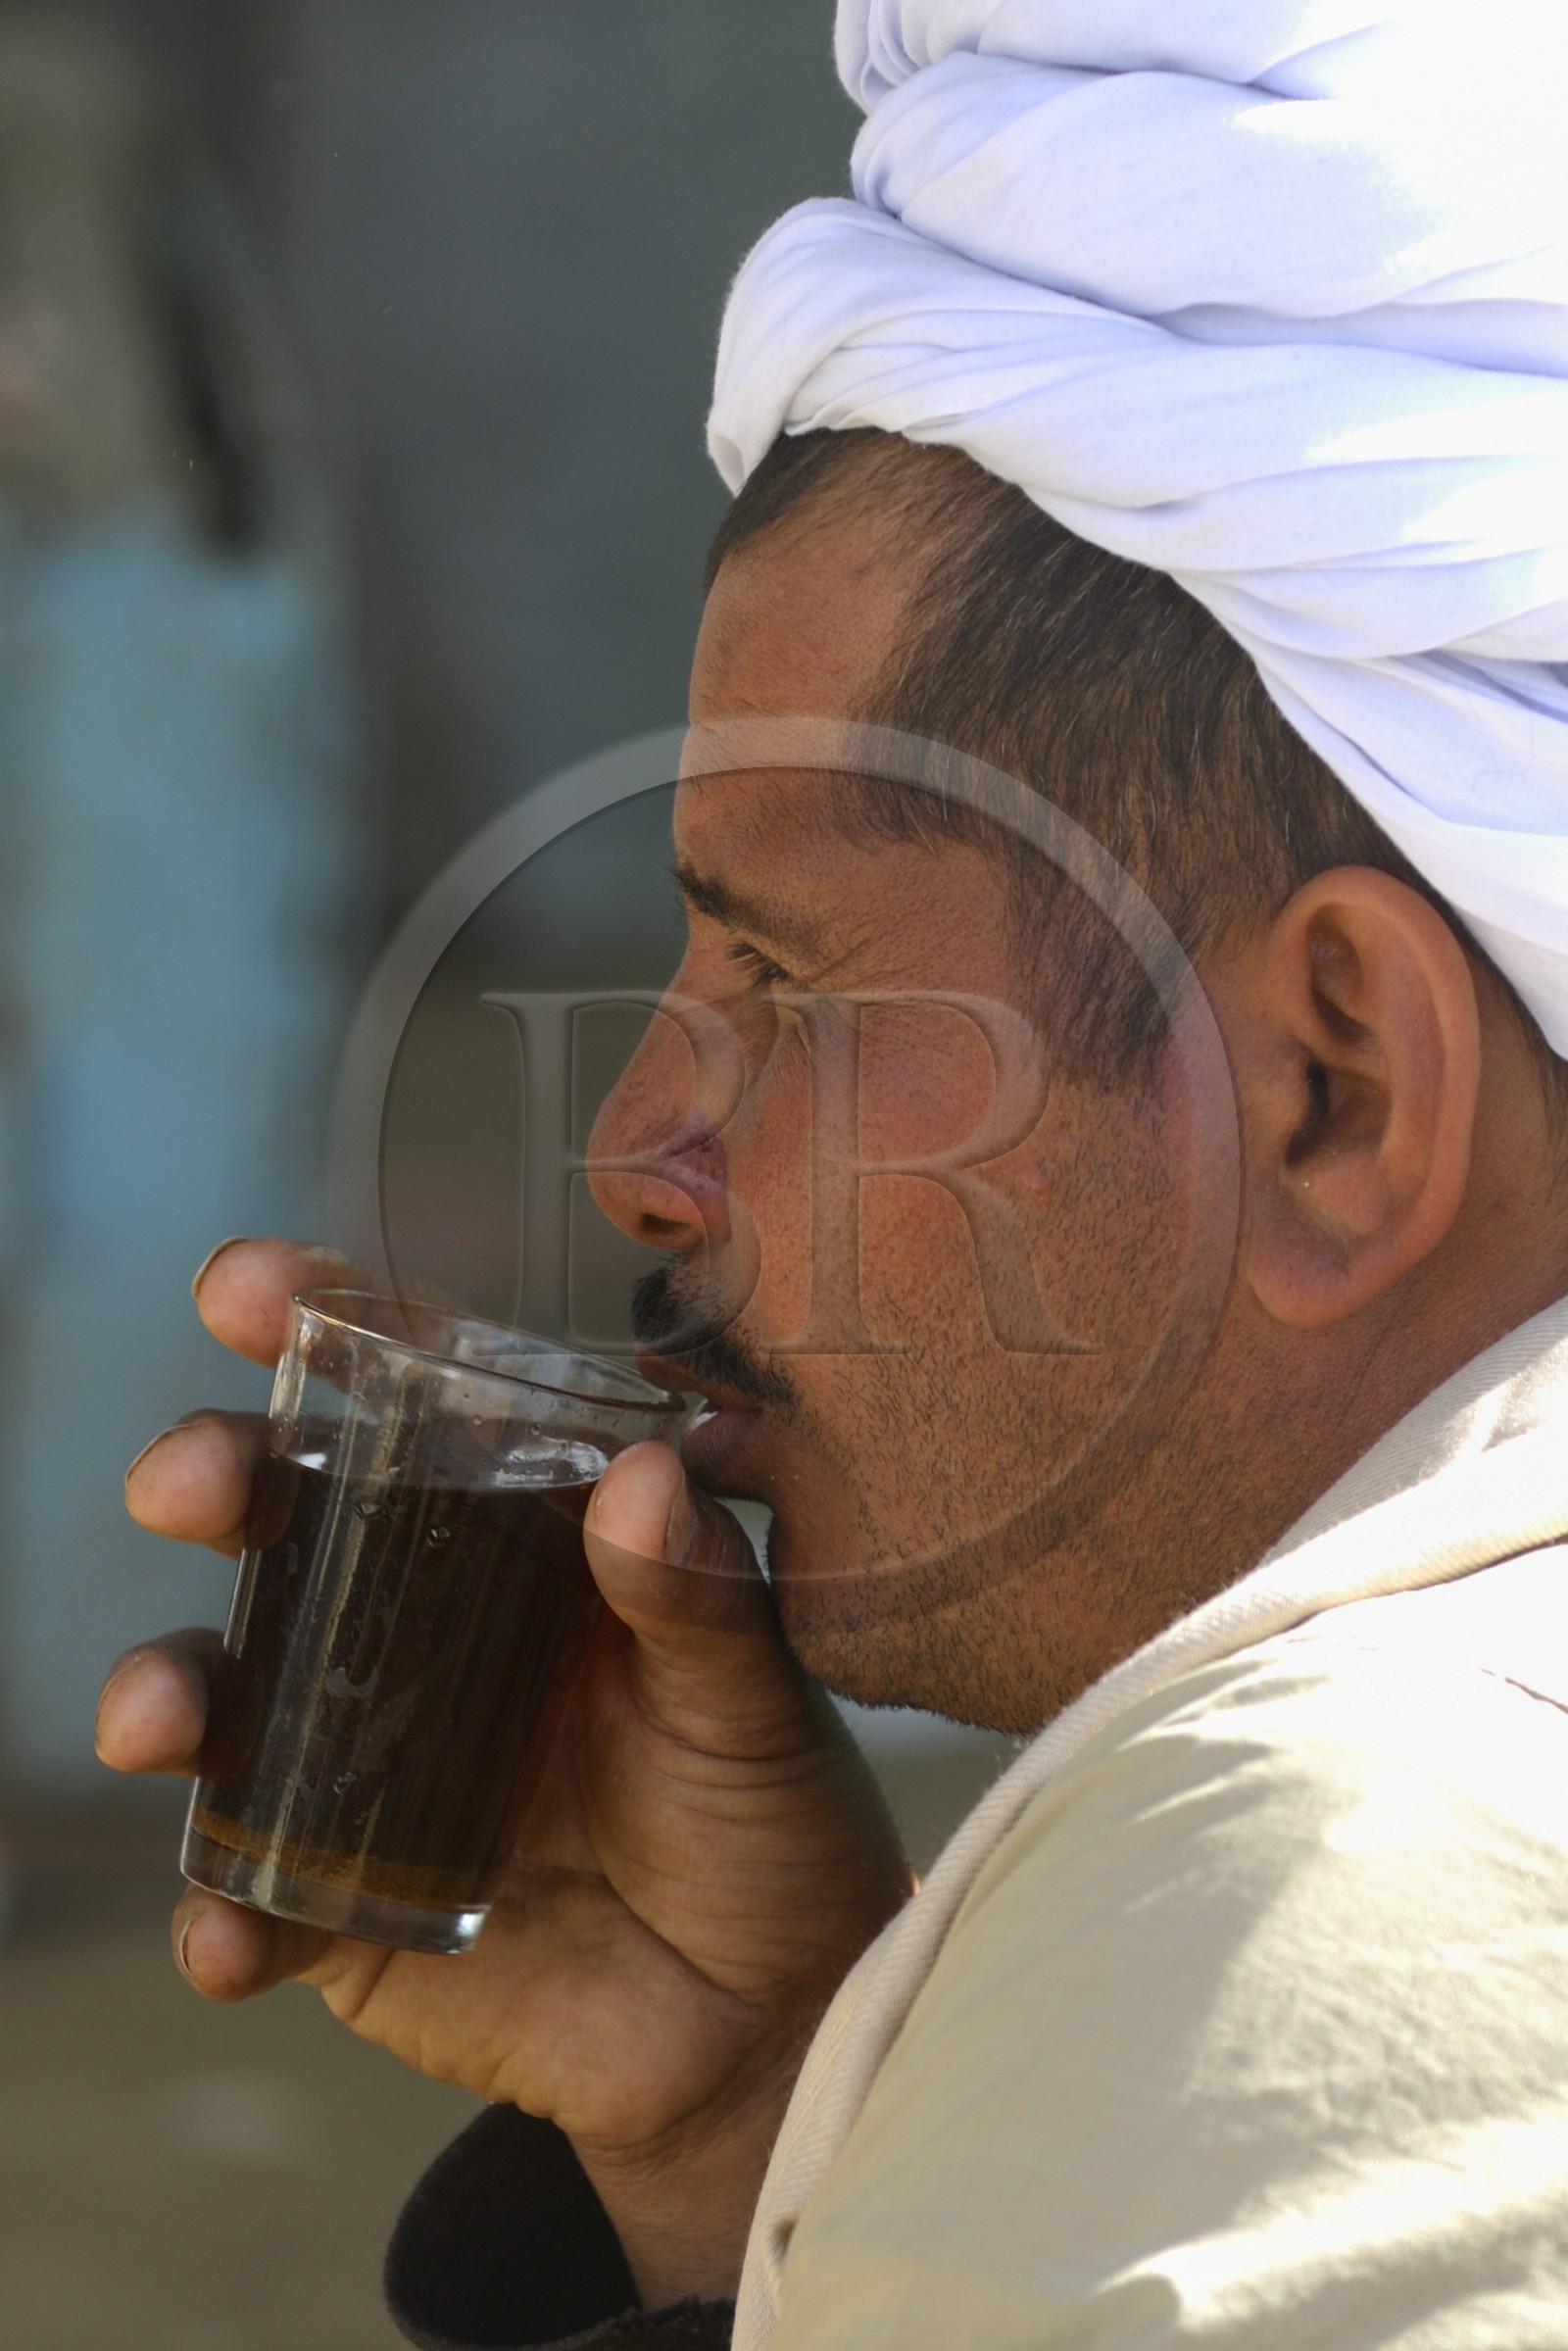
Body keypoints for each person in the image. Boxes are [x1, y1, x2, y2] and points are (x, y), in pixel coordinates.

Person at [98, 5, 1568, 2346]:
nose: (633, 1147)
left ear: (1327, 1091)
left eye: (780, 977)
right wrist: (756, 2118)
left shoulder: (1311, 1895)